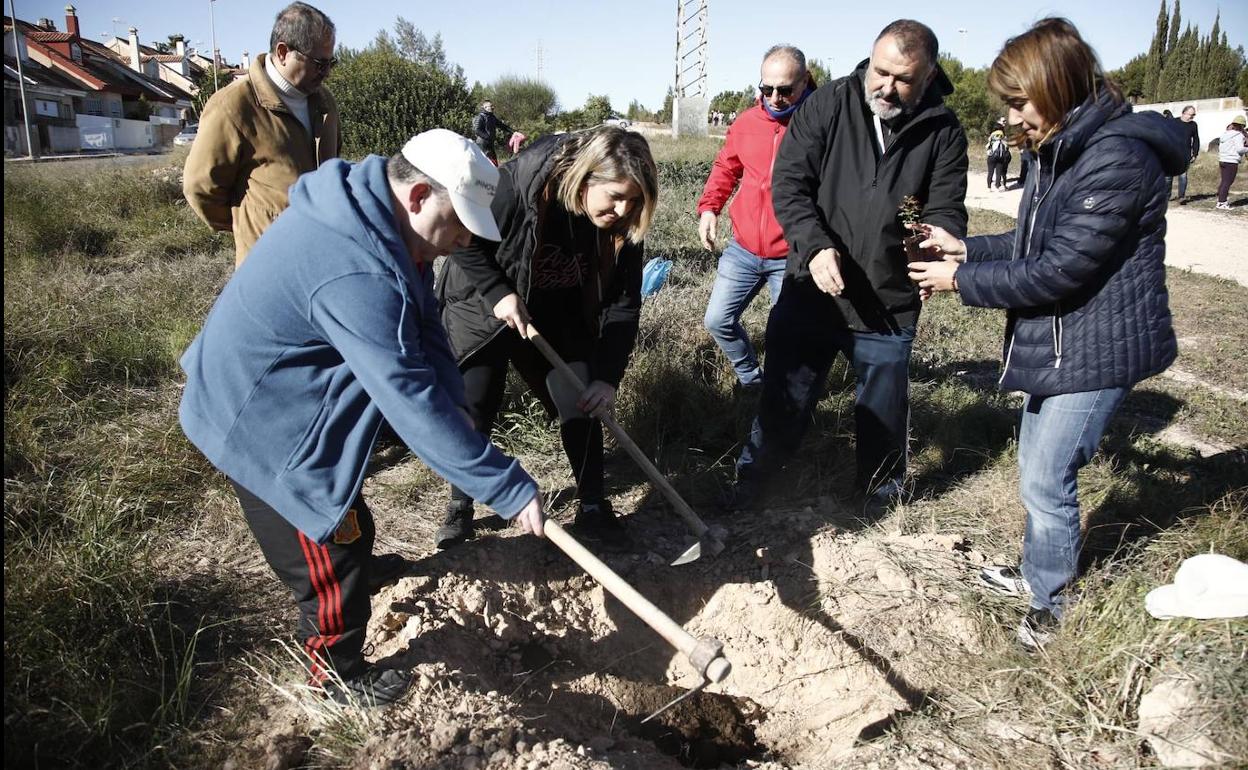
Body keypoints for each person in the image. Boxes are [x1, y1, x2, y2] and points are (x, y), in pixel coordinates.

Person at [178, 129, 546, 706]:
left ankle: (355, 585)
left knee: (355, 528)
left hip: (282, 390)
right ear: (420, 194)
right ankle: (335, 677)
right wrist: (504, 484)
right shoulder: (359, 269)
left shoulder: (375, 216)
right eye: (458, 224)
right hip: (261, 420)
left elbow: (423, 322)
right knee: (331, 556)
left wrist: (454, 398)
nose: (459, 243)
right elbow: (405, 395)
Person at [907, 18, 1183, 651]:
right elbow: (1035, 243)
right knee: (1036, 463)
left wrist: (958, 281)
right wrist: (967, 247)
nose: (1011, 117)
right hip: (1065, 341)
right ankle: (1039, 577)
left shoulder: (1115, 157)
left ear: (1055, 86)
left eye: (1017, 101)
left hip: (1096, 345)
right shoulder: (1061, 147)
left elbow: (1059, 270)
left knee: (1046, 473)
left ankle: (1051, 606)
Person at [725, 19, 968, 513]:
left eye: (902, 79)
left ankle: (879, 496)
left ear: (928, 76)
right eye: (879, 71)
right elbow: (790, 184)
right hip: (811, 287)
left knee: (883, 407)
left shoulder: (944, 131)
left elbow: (944, 207)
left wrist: (931, 240)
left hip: (887, 300)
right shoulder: (830, 103)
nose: (885, 86)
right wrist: (814, 246)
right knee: (785, 393)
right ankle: (755, 483)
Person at [435, 127, 658, 548]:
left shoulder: (625, 221)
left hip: (559, 310)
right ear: (586, 177)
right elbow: (460, 232)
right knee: (476, 402)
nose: (622, 208)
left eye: (633, 200)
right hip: (484, 301)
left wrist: (607, 377)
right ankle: (459, 506)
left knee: (582, 401)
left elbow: (624, 304)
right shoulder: (519, 184)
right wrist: (500, 293)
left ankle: (593, 506)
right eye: (614, 195)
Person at [184, 2, 340, 266]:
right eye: (318, 64)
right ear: (282, 52)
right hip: (267, 266)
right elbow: (200, 188)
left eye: (330, 63)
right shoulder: (233, 106)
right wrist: (251, 225)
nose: (325, 73)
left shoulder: (325, 102)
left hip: (320, 257)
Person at [697, 45, 815, 390]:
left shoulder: (818, 125)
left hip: (791, 254)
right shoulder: (747, 122)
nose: (774, 98)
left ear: (804, 82)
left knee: (787, 334)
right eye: (766, 89)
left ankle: (783, 394)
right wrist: (709, 207)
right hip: (744, 248)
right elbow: (726, 166)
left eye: (784, 89)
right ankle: (751, 380)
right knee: (718, 319)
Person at [1215, 115, 1248, 210]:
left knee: (1224, 181)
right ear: (1242, 125)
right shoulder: (1238, 135)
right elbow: (1240, 149)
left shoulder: (1225, 134)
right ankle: (1222, 202)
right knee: (1228, 182)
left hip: (1223, 160)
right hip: (1232, 161)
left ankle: (1220, 200)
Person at [1171, 105, 1200, 205]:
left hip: (1185, 154)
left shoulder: (1193, 125)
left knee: (1183, 176)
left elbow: (1196, 140)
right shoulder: (1173, 122)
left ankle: (1181, 197)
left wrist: (1195, 153)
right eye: (1190, 115)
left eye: (1194, 115)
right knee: (1168, 177)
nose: (1192, 117)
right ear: (1183, 113)